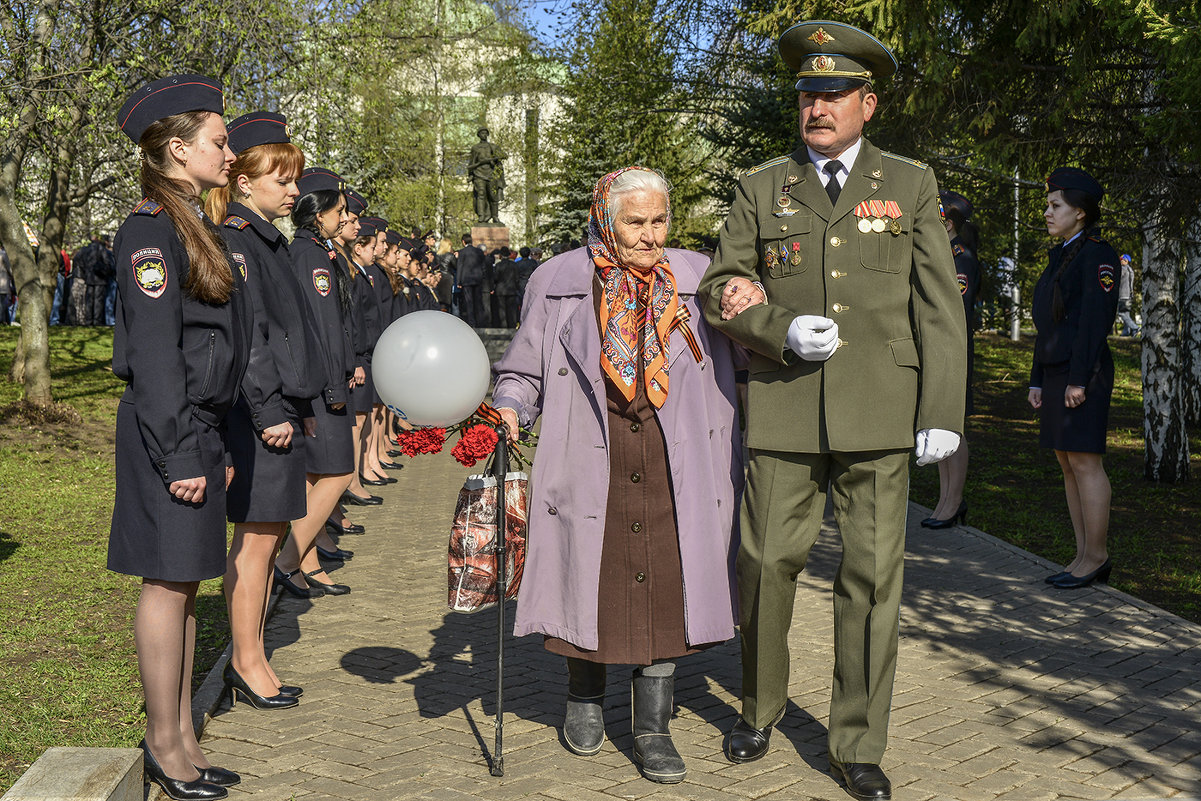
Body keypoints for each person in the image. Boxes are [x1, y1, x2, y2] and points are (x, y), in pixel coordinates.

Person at [699, 21, 967, 801]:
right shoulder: (760, 186)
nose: (816, 106)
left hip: (880, 412)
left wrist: (940, 409)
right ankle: (758, 707)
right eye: (806, 94)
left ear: (866, 102)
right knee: (760, 565)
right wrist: (777, 328)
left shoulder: (908, 184)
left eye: (832, 93)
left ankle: (856, 743)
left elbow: (938, 308)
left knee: (872, 579)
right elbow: (720, 286)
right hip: (785, 408)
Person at [493, 167, 743, 785]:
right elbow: (524, 369)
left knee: (665, 581)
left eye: (660, 221)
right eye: (635, 222)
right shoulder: (558, 282)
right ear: (606, 219)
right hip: (589, 448)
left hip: (672, 453)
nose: (650, 235)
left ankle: (653, 727)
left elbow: (748, 357)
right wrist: (508, 407)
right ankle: (583, 695)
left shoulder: (698, 279)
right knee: (592, 573)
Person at [109, 73, 251, 800]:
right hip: (169, 432)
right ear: (176, 148)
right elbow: (158, 355)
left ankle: (185, 736)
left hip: (197, 430)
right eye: (220, 142)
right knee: (166, 585)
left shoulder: (189, 221)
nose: (230, 155)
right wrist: (182, 451)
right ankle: (164, 743)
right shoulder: (149, 230)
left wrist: (213, 442)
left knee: (186, 583)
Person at [206, 111, 320, 711]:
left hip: (278, 411)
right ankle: (246, 663)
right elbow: (249, 339)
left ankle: (251, 655)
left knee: (268, 539)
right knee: (256, 541)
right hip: (258, 419)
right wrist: (272, 409)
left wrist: (295, 403)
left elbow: (288, 334)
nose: (294, 190)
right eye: (283, 179)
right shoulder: (239, 242)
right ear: (246, 183)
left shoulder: (266, 240)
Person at [1029, 167, 1118, 590]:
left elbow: (1093, 324)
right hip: (1057, 371)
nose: (1047, 212)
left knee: (1085, 462)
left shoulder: (1096, 254)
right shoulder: (1061, 254)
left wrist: (1078, 381)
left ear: (1080, 212)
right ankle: (1082, 555)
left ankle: (1096, 556)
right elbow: (1047, 323)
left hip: (1084, 373)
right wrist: (1035, 378)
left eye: (1055, 205)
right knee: (1067, 463)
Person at [273, 167, 356, 598]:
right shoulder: (309, 255)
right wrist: (334, 389)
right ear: (318, 211)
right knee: (340, 472)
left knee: (313, 478)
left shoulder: (313, 250)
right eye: (338, 210)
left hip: (322, 382)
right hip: (324, 385)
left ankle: (307, 563)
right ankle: (287, 562)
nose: (343, 218)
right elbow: (322, 329)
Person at [921, 190, 981, 529]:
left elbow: (956, 312)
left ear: (945, 222)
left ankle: (954, 501)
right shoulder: (943, 254)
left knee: (954, 427)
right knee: (942, 423)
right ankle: (944, 499)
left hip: (953, 352)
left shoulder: (962, 259)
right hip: (937, 350)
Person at [467, 126, 504, 223]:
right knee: (481, 194)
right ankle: (481, 215)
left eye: (485, 133)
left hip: (491, 174)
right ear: (479, 135)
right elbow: (471, 163)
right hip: (479, 173)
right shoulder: (475, 148)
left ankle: (495, 216)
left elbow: (503, 155)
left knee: (493, 195)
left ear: (487, 134)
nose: (483, 135)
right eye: (481, 133)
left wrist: (497, 156)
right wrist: (471, 174)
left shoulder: (493, 146)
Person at [455, 233, 485, 327]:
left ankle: (471, 323)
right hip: (478, 279)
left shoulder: (462, 252)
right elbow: (483, 266)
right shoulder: (479, 251)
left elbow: (460, 267)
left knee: (469, 302)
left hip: (466, 280)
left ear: (463, 242)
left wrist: (459, 281)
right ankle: (480, 322)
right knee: (478, 302)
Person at [493, 246, 519, 327]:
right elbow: (517, 278)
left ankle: (503, 325)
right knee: (511, 309)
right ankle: (512, 325)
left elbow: (495, 278)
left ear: (501, 255)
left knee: (502, 309)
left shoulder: (498, 265)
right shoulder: (514, 265)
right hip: (511, 289)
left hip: (501, 290)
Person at [1117, 254, 1140, 336]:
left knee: (1122, 313)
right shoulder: (1130, 270)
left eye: (1121, 259)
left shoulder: (1122, 269)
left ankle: (1135, 328)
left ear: (1126, 261)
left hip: (1123, 295)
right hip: (1129, 295)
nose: (1120, 261)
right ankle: (1126, 332)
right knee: (1126, 314)